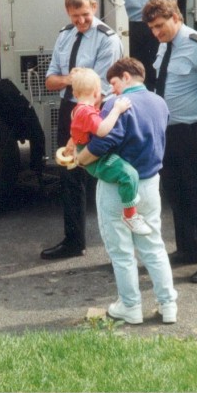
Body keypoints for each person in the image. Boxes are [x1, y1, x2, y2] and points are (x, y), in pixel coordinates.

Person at [76, 57, 177, 324]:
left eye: (114, 83)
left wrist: (80, 159)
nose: (112, 89)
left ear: (126, 77)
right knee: (154, 246)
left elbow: (103, 142)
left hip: (117, 187)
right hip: (151, 182)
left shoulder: (114, 105)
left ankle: (130, 307)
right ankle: (168, 305)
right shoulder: (160, 102)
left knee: (121, 251)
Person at [143, 0, 197, 283]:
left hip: (194, 132)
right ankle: (188, 250)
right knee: (177, 194)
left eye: (160, 25)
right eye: (152, 28)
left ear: (176, 18)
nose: (157, 32)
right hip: (168, 132)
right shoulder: (165, 45)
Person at [41, 0, 124, 260]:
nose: (81, 21)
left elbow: (97, 90)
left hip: (94, 111)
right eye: (75, 15)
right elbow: (50, 80)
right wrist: (70, 80)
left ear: (95, 8)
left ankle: (118, 249)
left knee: (105, 174)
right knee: (69, 174)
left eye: (85, 14)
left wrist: (71, 81)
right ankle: (74, 241)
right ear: (68, 13)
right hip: (70, 108)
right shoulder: (65, 36)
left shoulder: (106, 39)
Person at [58, 67, 152, 236]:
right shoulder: (86, 112)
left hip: (88, 154)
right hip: (96, 162)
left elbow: (78, 131)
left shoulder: (78, 109)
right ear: (96, 93)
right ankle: (130, 215)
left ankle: (131, 211)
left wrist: (72, 143)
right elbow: (102, 130)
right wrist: (117, 109)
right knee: (129, 175)